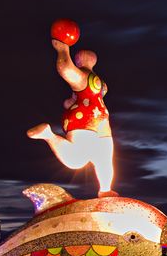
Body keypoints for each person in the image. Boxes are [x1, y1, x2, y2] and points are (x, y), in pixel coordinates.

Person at [28, 39, 116, 197]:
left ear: (79, 61)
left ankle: (49, 135)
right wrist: (70, 101)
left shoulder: (83, 77)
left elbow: (65, 69)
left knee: (76, 160)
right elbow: (76, 99)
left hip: (84, 119)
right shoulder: (101, 85)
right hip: (102, 123)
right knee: (104, 161)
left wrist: (63, 49)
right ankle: (105, 189)